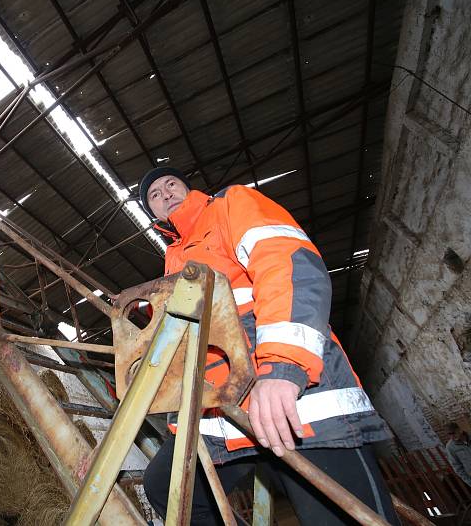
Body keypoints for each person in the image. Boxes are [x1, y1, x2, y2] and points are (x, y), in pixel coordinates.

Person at [138, 167, 399, 525]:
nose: (165, 193)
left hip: (293, 402)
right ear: (153, 213)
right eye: (154, 195)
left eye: (171, 184)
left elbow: (286, 263)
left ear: (188, 188)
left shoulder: (229, 205)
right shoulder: (172, 265)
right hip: (224, 420)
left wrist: (282, 367)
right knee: (165, 490)